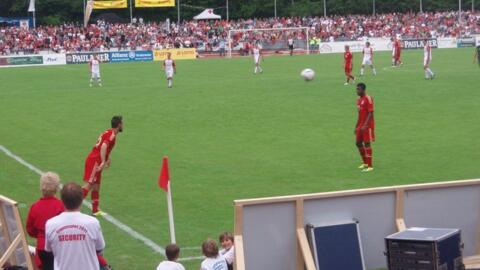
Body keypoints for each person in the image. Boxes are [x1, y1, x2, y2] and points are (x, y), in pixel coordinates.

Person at [45, 182, 106, 270]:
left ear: (62, 200)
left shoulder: (51, 224)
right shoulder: (93, 223)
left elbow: (48, 249)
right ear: (81, 200)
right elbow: (100, 248)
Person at [82, 116, 123, 216]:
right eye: (122, 123)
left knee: (96, 186)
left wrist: (107, 158)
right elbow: (104, 146)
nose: (123, 125)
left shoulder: (108, 132)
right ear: (119, 125)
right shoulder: (112, 135)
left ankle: (95, 210)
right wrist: (103, 161)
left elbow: (104, 146)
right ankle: (72, 205)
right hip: (95, 161)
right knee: (90, 184)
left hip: (96, 159)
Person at [26, 172, 64, 270]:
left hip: (42, 247)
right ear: (56, 188)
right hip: (58, 246)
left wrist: (39, 234)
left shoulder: (35, 207)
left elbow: (30, 229)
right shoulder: (60, 206)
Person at [355, 83, 375, 172]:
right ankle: (365, 163)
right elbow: (359, 114)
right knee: (358, 143)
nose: (357, 91)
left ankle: (370, 166)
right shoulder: (358, 101)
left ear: (363, 90)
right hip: (360, 125)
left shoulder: (368, 98)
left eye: (358, 89)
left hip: (367, 125)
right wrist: (356, 126)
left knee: (367, 144)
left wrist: (366, 125)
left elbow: (371, 113)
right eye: (357, 89)